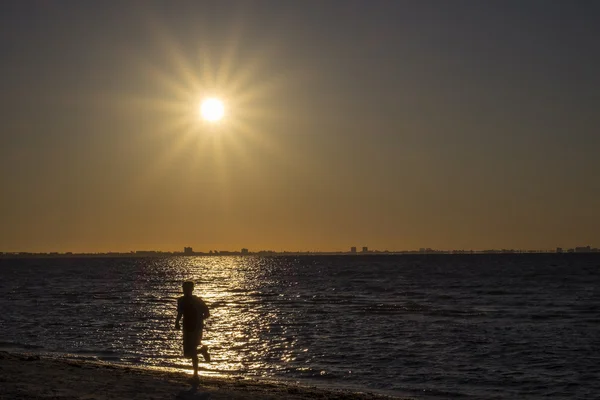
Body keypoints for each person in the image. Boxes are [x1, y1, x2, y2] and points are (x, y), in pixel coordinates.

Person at [175, 281, 211, 381]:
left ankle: (195, 375)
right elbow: (207, 314)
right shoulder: (184, 300)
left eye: (186, 288)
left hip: (193, 328)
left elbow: (207, 313)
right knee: (189, 352)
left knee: (190, 352)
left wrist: (198, 320)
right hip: (190, 328)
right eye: (184, 288)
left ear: (191, 289)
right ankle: (202, 352)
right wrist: (177, 323)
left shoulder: (188, 300)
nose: (184, 290)